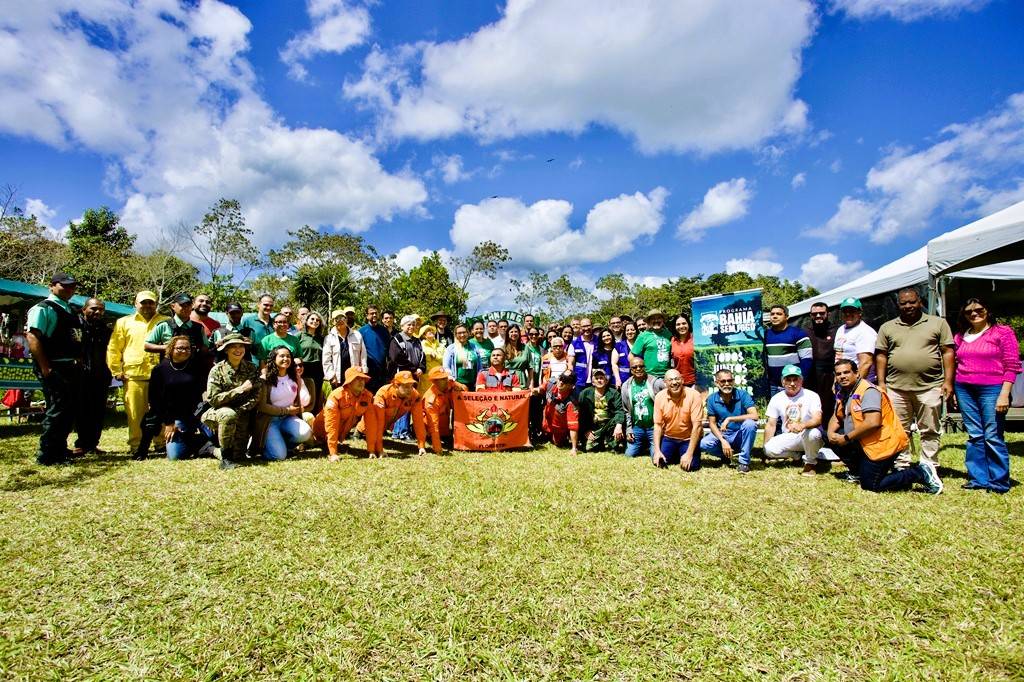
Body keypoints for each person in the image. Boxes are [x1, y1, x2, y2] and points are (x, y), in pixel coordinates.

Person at [827, 359, 942, 494]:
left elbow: (872, 422)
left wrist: (845, 438)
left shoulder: (868, 391)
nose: (842, 376)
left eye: (846, 372)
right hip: (865, 441)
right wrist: (830, 434)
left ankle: (920, 472)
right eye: (839, 374)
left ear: (857, 373)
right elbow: (837, 415)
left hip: (884, 444)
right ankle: (858, 472)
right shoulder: (844, 391)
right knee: (829, 437)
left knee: (871, 485)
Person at [875, 287, 955, 469]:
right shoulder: (887, 327)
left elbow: (948, 352)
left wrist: (948, 381)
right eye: (903, 303)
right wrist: (881, 383)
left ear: (920, 302)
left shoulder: (938, 323)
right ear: (898, 305)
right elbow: (881, 355)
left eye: (912, 302)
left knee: (930, 429)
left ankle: (929, 467)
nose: (908, 306)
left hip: (930, 386)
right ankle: (901, 465)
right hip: (896, 387)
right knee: (899, 430)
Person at [952, 298, 1021, 493]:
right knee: (974, 434)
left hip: (992, 389)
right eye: (968, 312)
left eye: (978, 310)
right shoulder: (960, 336)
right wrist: (956, 393)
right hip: (964, 388)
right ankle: (978, 478)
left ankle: (998, 481)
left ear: (987, 310)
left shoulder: (1003, 332)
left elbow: (1012, 365)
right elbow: (957, 364)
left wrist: (1004, 394)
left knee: (992, 435)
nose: (974, 314)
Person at [25, 272, 83, 465]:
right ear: (52, 286)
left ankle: (60, 448)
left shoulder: (71, 309)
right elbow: (33, 337)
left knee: (68, 409)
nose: (69, 289)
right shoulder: (43, 308)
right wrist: (45, 367)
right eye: (64, 285)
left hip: (70, 367)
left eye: (72, 286)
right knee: (57, 409)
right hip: (53, 366)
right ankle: (48, 454)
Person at [107, 290, 168, 455]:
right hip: (134, 374)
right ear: (135, 304)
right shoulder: (123, 322)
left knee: (161, 411)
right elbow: (114, 348)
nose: (147, 306)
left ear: (156, 304)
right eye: (143, 302)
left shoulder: (166, 321)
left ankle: (161, 443)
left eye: (151, 302)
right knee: (135, 412)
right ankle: (137, 445)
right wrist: (116, 369)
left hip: (161, 374)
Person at [145, 335, 212, 461]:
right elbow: (155, 400)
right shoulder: (160, 370)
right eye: (180, 348)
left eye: (187, 348)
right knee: (175, 456)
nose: (184, 351)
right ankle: (199, 443)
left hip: (197, 414)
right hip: (176, 418)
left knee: (216, 436)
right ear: (171, 349)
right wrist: (169, 422)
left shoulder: (196, 367)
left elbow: (205, 390)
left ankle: (202, 441)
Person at [202, 333, 262, 470]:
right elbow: (213, 399)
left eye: (241, 346)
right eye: (233, 347)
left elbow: (256, 395)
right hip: (219, 411)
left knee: (239, 455)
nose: (238, 350)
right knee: (228, 414)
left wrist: (241, 410)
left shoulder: (251, 368)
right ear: (226, 350)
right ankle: (226, 460)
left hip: (242, 412)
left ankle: (211, 449)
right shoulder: (217, 370)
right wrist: (239, 390)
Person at [253, 347, 313, 461]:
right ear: (273, 359)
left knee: (305, 433)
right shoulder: (265, 379)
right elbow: (262, 406)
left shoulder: (295, 378)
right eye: (282, 356)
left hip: (288, 419)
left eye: (288, 356)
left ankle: (283, 445)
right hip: (270, 421)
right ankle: (264, 447)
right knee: (279, 457)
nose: (286, 359)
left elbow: (298, 400)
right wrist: (286, 410)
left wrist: (297, 409)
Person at [763, 365, 823, 476]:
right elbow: (771, 425)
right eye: (788, 380)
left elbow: (817, 419)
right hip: (789, 436)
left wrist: (803, 425)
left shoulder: (812, 395)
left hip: (807, 434)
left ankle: (810, 464)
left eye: (795, 379)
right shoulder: (776, 398)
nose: (792, 383)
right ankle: (797, 456)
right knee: (769, 449)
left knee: (813, 434)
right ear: (782, 382)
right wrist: (765, 451)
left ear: (801, 380)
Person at [73, 298, 113, 457]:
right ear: (84, 309)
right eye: (94, 309)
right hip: (80, 375)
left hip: (100, 375)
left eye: (101, 310)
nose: (97, 312)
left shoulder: (104, 329)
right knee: (81, 410)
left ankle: (92, 444)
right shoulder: (75, 326)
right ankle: (81, 444)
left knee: (98, 412)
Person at [700, 369, 758, 474]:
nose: (727, 384)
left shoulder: (743, 394)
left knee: (750, 424)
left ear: (734, 381)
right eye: (723, 381)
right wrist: (723, 441)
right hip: (724, 434)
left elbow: (754, 415)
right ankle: (726, 455)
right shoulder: (712, 399)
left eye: (729, 380)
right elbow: (712, 423)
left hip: (739, 434)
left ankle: (743, 462)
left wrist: (730, 419)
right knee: (704, 443)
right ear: (717, 383)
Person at [312, 366, 373, 461]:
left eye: (363, 379)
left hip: (339, 434)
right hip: (321, 431)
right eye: (357, 378)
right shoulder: (336, 396)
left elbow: (370, 424)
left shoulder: (367, 396)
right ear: (349, 382)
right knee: (314, 440)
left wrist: (372, 450)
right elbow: (331, 424)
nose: (361, 381)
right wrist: (333, 453)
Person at [363, 371, 424, 458]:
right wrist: (379, 450)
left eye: (411, 386)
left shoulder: (414, 395)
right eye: (406, 387)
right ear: (396, 386)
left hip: (385, 427)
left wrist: (421, 446)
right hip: (367, 429)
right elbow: (378, 423)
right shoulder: (383, 393)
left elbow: (419, 421)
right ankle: (358, 434)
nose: (410, 389)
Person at [652, 369, 703, 470]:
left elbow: (697, 426)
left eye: (677, 379)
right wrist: (657, 451)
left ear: (682, 380)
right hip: (669, 437)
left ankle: (684, 453)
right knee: (658, 461)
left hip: (688, 439)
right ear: (665, 383)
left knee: (691, 466)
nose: (674, 382)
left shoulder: (694, 395)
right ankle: (676, 455)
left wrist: (689, 454)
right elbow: (657, 426)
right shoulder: (659, 397)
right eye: (670, 380)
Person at [145, 294, 210, 364]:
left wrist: (196, 349)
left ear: (192, 306)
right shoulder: (164, 325)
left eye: (188, 305)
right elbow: (147, 346)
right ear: (173, 306)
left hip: (192, 370)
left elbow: (205, 347)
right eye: (182, 305)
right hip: (168, 370)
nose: (186, 308)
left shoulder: (199, 328)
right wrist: (170, 347)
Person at [389, 314, 426, 439]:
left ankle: (404, 431)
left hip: (415, 376)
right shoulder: (397, 339)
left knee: (409, 402)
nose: (411, 327)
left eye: (413, 324)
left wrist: (421, 368)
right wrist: (413, 369)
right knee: (401, 403)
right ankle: (399, 432)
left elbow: (422, 356)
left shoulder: (417, 341)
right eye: (408, 324)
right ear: (402, 326)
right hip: (402, 376)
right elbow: (396, 357)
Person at [417, 366, 467, 455]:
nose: (446, 380)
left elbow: (465, 390)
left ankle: (446, 436)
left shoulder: (449, 384)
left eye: (446, 377)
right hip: (430, 430)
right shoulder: (431, 400)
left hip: (444, 430)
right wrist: (438, 449)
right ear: (434, 381)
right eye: (442, 379)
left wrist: (457, 385)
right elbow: (433, 426)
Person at [621, 356, 665, 458]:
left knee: (655, 455)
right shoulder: (626, 386)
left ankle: (651, 445)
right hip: (637, 428)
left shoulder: (656, 383)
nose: (638, 369)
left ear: (645, 367)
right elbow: (626, 410)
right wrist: (628, 429)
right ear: (631, 370)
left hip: (654, 427)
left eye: (641, 366)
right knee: (629, 455)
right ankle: (643, 445)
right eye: (634, 367)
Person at [765, 304, 813, 396]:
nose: (774, 316)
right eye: (772, 314)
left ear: (786, 317)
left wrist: (800, 379)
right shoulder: (765, 335)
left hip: (792, 383)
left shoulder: (798, 333)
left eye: (778, 314)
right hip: (773, 385)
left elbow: (807, 359)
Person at [806, 301, 836, 436]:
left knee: (828, 406)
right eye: (814, 314)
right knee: (811, 407)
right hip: (810, 375)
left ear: (828, 314)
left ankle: (829, 436)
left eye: (821, 313)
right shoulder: (805, 331)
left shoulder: (836, 331)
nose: (818, 316)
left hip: (829, 374)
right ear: (810, 315)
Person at [577, 369, 625, 452]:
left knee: (614, 448)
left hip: (610, 425)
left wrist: (618, 425)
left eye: (601, 378)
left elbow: (619, 410)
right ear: (592, 382)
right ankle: (600, 441)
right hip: (593, 426)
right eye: (596, 378)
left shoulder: (614, 393)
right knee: (589, 448)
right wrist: (586, 430)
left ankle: (610, 441)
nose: (599, 380)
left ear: (606, 381)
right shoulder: (584, 394)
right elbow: (581, 414)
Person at [323, 309, 368, 390]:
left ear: (346, 319)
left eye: (342, 318)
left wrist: (363, 371)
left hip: (354, 376)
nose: (340, 321)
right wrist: (331, 376)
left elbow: (363, 355)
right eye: (336, 319)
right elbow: (326, 360)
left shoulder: (357, 335)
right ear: (333, 322)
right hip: (337, 378)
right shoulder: (329, 338)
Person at [833, 297, 877, 381]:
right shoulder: (841, 329)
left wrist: (855, 387)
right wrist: (836, 381)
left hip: (860, 382)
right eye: (845, 311)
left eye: (852, 311)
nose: (848, 314)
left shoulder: (865, 332)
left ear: (860, 312)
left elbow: (866, 363)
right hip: (843, 381)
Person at [543, 371, 580, 453]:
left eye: (565, 381)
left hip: (558, 427)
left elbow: (573, 425)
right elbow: (541, 388)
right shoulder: (550, 384)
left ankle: (565, 436)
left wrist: (574, 448)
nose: (561, 382)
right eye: (561, 378)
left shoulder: (571, 402)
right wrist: (536, 390)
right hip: (546, 422)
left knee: (558, 443)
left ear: (571, 386)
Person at [631, 309, 673, 378]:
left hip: (667, 376)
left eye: (659, 318)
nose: (656, 321)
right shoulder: (643, 336)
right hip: (650, 376)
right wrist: (637, 372)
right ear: (649, 322)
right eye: (653, 319)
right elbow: (631, 355)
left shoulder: (668, 334)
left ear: (663, 320)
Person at [297, 311, 326, 412]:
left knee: (316, 393)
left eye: (317, 320)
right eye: (312, 319)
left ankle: (314, 418)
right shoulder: (299, 336)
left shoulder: (322, 338)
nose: (315, 321)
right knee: (303, 393)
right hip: (303, 368)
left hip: (318, 369)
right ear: (306, 321)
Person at [359, 306, 391, 393]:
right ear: (367, 316)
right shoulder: (361, 331)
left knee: (382, 396)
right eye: (371, 313)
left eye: (376, 313)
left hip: (383, 370)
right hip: (369, 370)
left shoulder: (384, 331)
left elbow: (389, 350)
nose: (374, 315)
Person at [443, 324, 481, 390]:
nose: (462, 335)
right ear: (455, 335)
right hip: (457, 385)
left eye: (464, 332)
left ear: (468, 333)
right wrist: (455, 383)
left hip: (474, 384)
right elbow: (446, 366)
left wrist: (479, 381)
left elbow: (480, 366)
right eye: (459, 333)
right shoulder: (451, 349)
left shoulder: (474, 347)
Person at [503, 324, 534, 390]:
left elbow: (530, 367)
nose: (514, 333)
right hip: (507, 383)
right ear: (508, 334)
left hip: (522, 382)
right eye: (511, 332)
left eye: (516, 331)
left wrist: (530, 384)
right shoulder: (503, 349)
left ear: (519, 334)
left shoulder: (525, 348)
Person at [418, 323, 446, 394]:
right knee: (426, 395)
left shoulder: (440, 345)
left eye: (431, 330)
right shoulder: (420, 346)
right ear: (424, 335)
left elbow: (445, 358)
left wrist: (435, 356)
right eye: (428, 330)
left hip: (439, 375)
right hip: (426, 377)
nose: (431, 331)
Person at [570, 318, 597, 390]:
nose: (586, 328)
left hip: (597, 380)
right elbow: (570, 364)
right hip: (579, 381)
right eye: (583, 326)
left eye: (588, 326)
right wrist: (571, 381)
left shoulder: (599, 341)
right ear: (580, 328)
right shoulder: (574, 343)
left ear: (592, 326)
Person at [671, 314, 696, 387]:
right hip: (677, 382)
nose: (681, 326)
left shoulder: (695, 339)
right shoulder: (672, 340)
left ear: (688, 324)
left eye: (684, 323)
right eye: (678, 324)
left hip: (695, 382)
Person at [611, 321, 637, 385]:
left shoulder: (641, 344)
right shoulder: (618, 346)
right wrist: (618, 379)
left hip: (639, 378)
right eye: (627, 330)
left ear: (636, 331)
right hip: (623, 380)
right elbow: (614, 364)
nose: (630, 332)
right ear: (625, 332)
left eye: (632, 330)